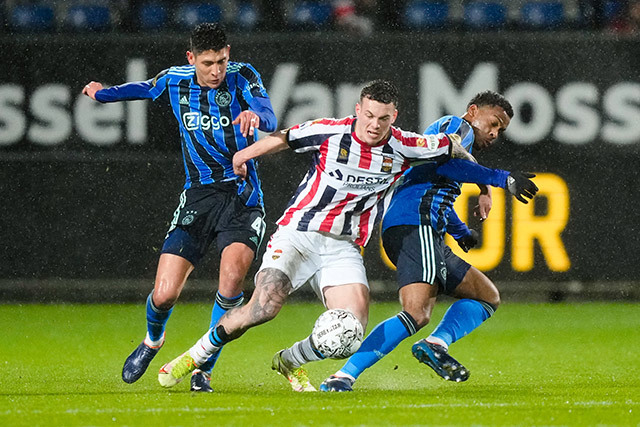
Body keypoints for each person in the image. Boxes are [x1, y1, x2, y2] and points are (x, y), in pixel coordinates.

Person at [155, 80, 537, 392]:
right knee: (263, 308)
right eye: (368, 115)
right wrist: (244, 156)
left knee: (349, 333)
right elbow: (284, 137)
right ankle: (194, 355)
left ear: (394, 117)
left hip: (344, 246)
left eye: (383, 118)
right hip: (299, 234)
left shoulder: (404, 144)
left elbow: (450, 149)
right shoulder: (329, 130)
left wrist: (488, 184)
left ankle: (289, 361)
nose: (374, 125)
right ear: (358, 110)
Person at [81, 22, 277, 392]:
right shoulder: (175, 80)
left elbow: (269, 115)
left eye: (221, 61)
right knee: (164, 294)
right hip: (198, 196)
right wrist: (102, 95)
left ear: (228, 54)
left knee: (231, 282)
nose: (216, 71)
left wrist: (257, 117)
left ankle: (203, 367)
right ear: (191, 59)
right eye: (207, 63)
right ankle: (153, 340)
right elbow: (142, 88)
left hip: (242, 197)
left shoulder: (243, 76)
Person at [320, 91, 527, 392]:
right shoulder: (458, 126)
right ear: (472, 111)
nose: (495, 133)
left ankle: (436, 344)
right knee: (416, 313)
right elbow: (443, 165)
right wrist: (501, 178)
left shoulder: (456, 138)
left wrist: (460, 231)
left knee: (486, 296)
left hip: (418, 227)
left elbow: (432, 182)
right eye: (494, 123)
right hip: (416, 226)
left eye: (501, 130)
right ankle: (343, 376)